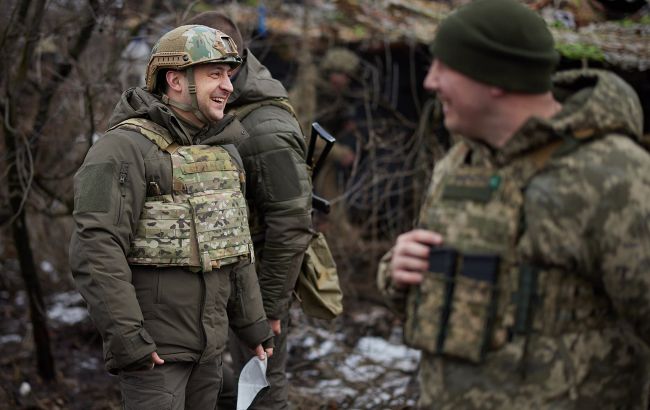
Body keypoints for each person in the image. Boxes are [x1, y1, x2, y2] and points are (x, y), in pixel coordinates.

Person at [377, 0, 650, 408]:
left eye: (443, 67)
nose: (430, 82)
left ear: (495, 76)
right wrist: (396, 272)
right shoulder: (459, 163)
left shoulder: (615, 175)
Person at [69, 25, 274, 410]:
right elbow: (94, 248)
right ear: (175, 80)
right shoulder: (118, 150)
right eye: (214, 74)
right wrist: (129, 340)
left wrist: (253, 326)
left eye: (229, 74)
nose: (228, 86)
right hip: (155, 355)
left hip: (209, 351)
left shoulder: (224, 152)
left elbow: (235, 247)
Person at [185, 12, 313, 410]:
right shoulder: (213, 108)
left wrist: (269, 309)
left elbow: (292, 225)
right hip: (215, 279)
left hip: (256, 283)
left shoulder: (266, 129)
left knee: (259, 392)